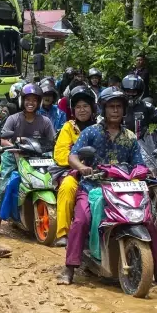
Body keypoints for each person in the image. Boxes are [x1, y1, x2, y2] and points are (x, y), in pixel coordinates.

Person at [59, 89, 157, 286]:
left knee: (147, 221)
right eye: (111, 107)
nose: (115, 110)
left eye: (118, 107)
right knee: (81, 220)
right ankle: (69, 268)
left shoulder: (131, 137)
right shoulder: (90, 132)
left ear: (124, 110)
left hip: (122, 188)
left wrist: (146, 171)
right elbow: (72, 156)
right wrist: (82, 167)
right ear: (103, 109)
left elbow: (139, 163)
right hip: (92, 186)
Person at [0, 83, 56, 240]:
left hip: (38, 157)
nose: (31, 103)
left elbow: (52, 140)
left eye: (34, 100)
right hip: (13, 156)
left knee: (53, 181)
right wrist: (14, 146)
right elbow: (3, 140)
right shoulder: (13, 119)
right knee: (5, 187)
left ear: (39, 102)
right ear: (22, 100)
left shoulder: (45, 121)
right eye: (28, 99)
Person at [52, 86, 97, 241]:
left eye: (85, 106)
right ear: (73, 109)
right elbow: (61, 153)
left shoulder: (101, 126)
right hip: (75, 172)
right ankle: (63, 233)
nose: (82, 110)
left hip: (102, 171)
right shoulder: (68, 127)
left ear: (92, 108)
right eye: (78, 107)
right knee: (66, 187)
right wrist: (80, 164)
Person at [122, 74, 157, 139]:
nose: (130, 95)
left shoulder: (146, 106)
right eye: (128, 92)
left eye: (133, 92)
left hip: (143, 144)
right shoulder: (118, 106)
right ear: (124, 91)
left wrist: (155, 133)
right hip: (122, 144)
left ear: (139, 92)